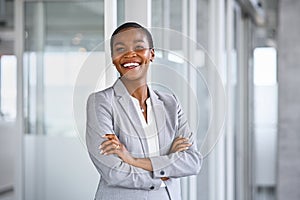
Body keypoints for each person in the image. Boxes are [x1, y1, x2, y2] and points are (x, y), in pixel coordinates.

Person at [86, 22, 202, 200]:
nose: (130, 54)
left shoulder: (170, 103)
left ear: (152, 54)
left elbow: (192, 162)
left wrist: (132, 161)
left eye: (139, 47)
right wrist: (165, 169)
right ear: (113, 58)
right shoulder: (101, 102)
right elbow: (113, 171)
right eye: (120, 48)